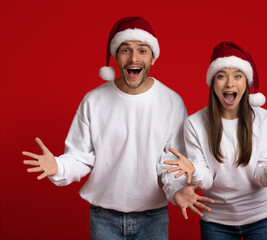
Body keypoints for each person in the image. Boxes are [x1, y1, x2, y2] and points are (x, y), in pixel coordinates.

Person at [22, 16, 209, 240]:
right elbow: (80, 157)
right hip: (104, 218)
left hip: (153, 218)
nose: (133, 58)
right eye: (125, 50)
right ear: (115, 57)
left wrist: (178, 191)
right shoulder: (93, 100)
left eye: (142, 50)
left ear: (152, 58)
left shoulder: (172, 102)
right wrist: (58, 167)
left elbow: (170, 164)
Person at [164, 41, 267, 240]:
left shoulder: (265, 119)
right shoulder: (194, 123)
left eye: (238, 76)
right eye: (222, 76)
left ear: (246, 83)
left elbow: (262, 178)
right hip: (216, 223)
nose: (230, 84)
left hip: (263, 219)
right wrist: (193, 170)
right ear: (213, 82)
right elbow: (205, 179)